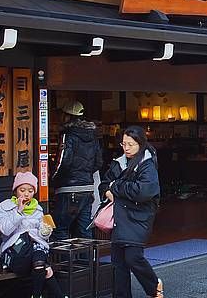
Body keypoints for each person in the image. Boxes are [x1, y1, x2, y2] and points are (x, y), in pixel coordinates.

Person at [101, 126, 163, 298]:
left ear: (140, 144)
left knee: (133, 257)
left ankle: (153, 286)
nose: (126, 148)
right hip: (119, 217)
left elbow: (144, 191)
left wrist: (117, 187)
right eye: (123, 144)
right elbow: (104, 184)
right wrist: (108, 191)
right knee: (118, 263)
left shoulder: (147, 164)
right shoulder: (118, 162)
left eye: (130, 144)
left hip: (138, 217)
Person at [0, 172, 65, 298]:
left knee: (39, 260)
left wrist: (45, 232)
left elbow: (42, 237)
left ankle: (36, 295)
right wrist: (18, 212)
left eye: (30, 190)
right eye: (22, 190)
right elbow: (5, 230)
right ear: (15, 190)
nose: (26, 194)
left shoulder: (38, 208)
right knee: (45, 268)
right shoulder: (4, 207)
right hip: (15, 249)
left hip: (35, 248)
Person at [52, 101, 104, 240]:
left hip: (68, 189)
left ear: (67, 116)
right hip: (87, 188)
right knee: (84, 229)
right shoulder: (93, 136)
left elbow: (63, 162)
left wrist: (54, 180)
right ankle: (86, 261)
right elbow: (98, 162)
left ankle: (63, 262)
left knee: (60, 229)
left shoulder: (68, 135)